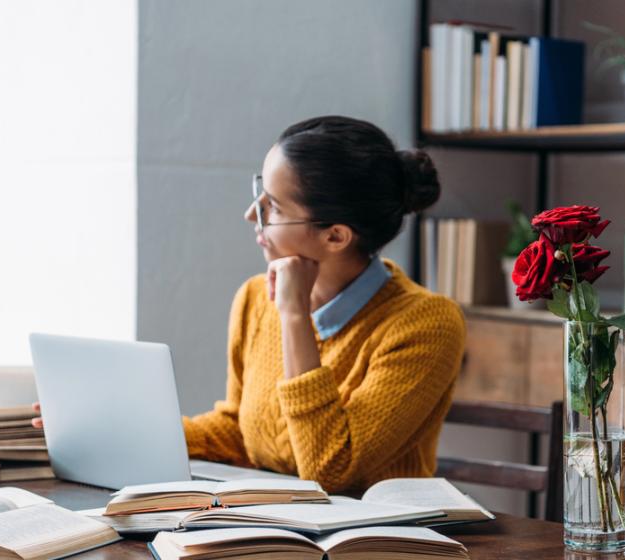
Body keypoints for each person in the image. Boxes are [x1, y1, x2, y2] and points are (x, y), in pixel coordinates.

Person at [36, 116, 466, 493]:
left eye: (273, 207)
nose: (250, 214)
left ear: (335, 236)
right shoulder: (255, 298)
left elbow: (330, 470)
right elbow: (238, 431)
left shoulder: (425, 324)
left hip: (374, 543)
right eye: (260, 193)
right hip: (274, 530)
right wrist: (113, 430)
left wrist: (295, 315)